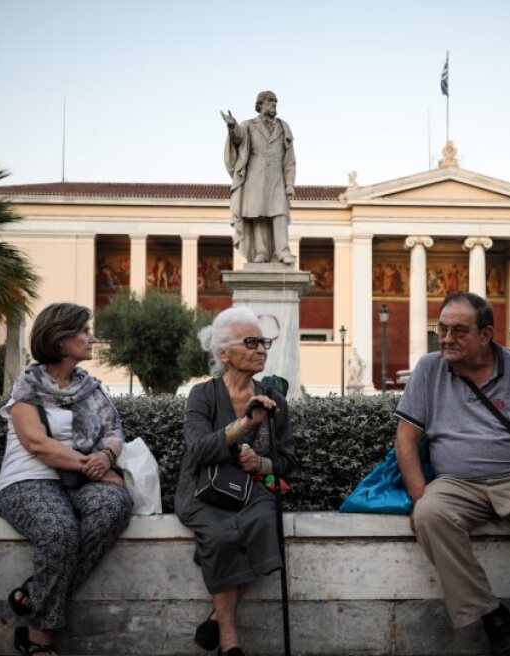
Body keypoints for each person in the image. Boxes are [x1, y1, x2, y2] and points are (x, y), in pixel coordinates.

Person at [395, 292, 510, 656]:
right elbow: (406, 437)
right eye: (442, 329)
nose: (446, 339)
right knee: (429, 514)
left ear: (486, 334)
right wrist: (419, 496)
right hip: (456, 483)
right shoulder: (429, 368)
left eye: (459, 331)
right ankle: (491, 616)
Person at [0, 303, 133, 656]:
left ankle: (36, 591)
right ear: (59, 339)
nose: (92, 337)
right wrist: (92, 464)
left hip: (79, 483)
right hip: (27, 481)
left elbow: (115, 431)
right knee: (59, 530)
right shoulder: (27, 386)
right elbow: (37, 444)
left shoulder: (90, 388)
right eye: (84, 331)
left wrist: (107, 456)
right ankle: (39, 638)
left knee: (115, 504)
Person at [177, 307, 296, 656]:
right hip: (203, 488)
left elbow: (287, 462)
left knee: (261, 524)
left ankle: (218, 620)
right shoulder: (202, 395)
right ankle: (230, 640)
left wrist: (260, 462)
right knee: (220, 535)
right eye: (251, 342)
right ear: (224, 353)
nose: (261, 349)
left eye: (264, 342)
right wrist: (244, 424)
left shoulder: (276, 400)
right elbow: (197, 450)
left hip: (252, 489)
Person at [221, 90, 297, 266]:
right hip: (255, 178)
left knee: (280, 213)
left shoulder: (283, 127)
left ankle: (283, 251)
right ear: (260, 105)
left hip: (277, 178)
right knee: (258, 214)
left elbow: (290, 159)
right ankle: (261, 252)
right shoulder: (249, 125)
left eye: (275, 102)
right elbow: (238, 138)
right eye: (270, 102)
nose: (273, 105)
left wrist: (290, 183)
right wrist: (232, 127)